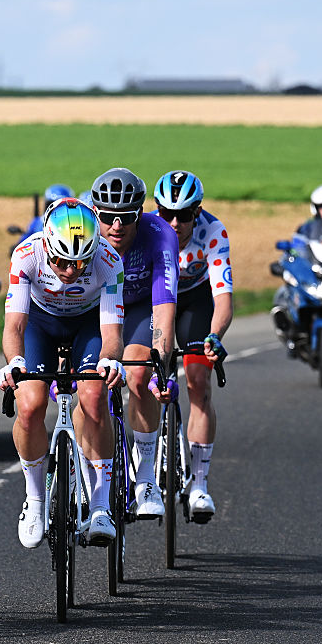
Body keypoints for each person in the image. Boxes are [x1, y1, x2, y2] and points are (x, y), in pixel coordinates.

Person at [0, 197, 126, 549]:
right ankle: (35, 499)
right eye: (60, 261)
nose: (70, 272)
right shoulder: (26, 256)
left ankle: (100, 505)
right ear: (46, 245)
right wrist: (15, 362)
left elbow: (112, 334)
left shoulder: (109, 260)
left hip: (88, 325)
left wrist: (110, 359)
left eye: (79, 263)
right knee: (30, 404)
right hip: (40, 324)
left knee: (95, 397)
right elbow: (15, 327)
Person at [91, 167, 179, 517]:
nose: (117, 226)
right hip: (94, 309)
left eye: (126, 217)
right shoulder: (83, 232)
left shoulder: (160, 235)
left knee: (139, 377)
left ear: (140, 213)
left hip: (141, 307)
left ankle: (145, 479)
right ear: (95, 213)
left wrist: (162, 368)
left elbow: (165, 308)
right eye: (109, 217)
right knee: (90, 388)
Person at [152, 170, 233, 522]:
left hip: (196, 300)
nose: (174, 222)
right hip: (156, 300)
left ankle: (199, 484)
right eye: (165, 213)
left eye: (183, 215)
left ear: (197, 212)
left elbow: (223, 299)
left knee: (198, 381)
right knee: (143, 375)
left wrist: (215, 336)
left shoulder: (213, 232)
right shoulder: (148, 231)